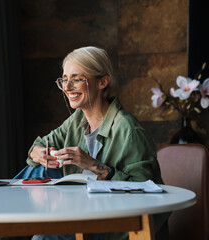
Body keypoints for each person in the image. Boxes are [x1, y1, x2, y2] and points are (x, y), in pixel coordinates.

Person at [15, 46, 169, 240]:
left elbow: (143, 191)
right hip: (84, 212)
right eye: (64, 79)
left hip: (118, 222)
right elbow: (40, 144)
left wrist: (91, 164)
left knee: (44, 236)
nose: (67, 87)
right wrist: (37, 153)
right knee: (37, 171)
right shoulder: (77, 119)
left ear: (103, 82)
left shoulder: (129, 130)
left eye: (77, 79)